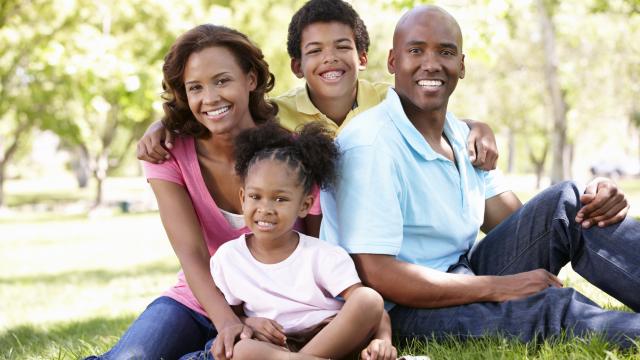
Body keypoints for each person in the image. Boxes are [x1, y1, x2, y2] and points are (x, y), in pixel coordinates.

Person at [321, 5, 640, 347]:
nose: (431, 63)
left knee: (572, 203)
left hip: (461, 274)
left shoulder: (461, 137)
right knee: (547, 310)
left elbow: (528, 225)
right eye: (416, 50)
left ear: (461, 64)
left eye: (445, 52)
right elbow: (376, 274)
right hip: (396, 311)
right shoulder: (370, 145)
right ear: (393, 62)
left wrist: (596, 199)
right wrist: (502, 288)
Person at [87, 24, 320, 360]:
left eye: (222, 80)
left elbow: (318, 248)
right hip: (198, 301)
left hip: (275, 311)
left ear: (250, 79)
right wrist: (228, 321)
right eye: (195, 87)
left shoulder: (295, 154)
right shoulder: (168, 154)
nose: (210, 98)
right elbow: (192, 255)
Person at [137, 0, 499, 173]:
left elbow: (430, 120)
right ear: (297, 66)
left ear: (362, 57)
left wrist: (476, 126)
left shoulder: (384, 98)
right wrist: (164, 125)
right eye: (315, 51)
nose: (330, 59)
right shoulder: (277, 114)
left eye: (342, 47)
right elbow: (230, 113)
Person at [182, 122, 396, 360]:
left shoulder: (321, 255)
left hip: (329, 337)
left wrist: (382, 340)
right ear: (242, 197)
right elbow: (233, 318)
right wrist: (249, 323)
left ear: (304, 205)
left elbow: (375, 311)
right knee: (241, 350)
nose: (265, 209)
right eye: (255, 196)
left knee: (368, 298)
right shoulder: (228, 258)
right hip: (278, 348)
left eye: (280, 199)